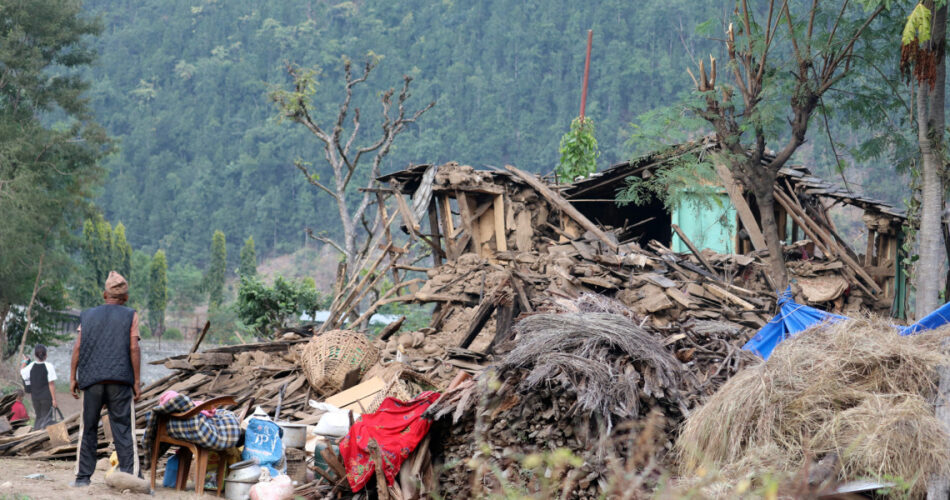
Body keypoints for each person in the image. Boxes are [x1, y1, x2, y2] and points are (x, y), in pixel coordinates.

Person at [70, 271, 142, 487]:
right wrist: (137, 382)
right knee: (123, 429)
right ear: (126, 298)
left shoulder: (88, 315)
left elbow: (78, 347)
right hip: (120, 380)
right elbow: (134, 348)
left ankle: (82, 478)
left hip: (91, 379)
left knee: (88, 428)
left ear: (104, 295)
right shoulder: (131, 315)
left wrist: (73, 377)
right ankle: (130, 478)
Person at [20, 344, 58, 430]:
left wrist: (24, 362)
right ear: (46, 355)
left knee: (39, 417)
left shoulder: (31, 365)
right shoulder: (49, 366)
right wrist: (54, 399)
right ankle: (44, 437)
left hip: (35, 397)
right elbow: (51, 384)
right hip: (46, 397)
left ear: (35, 355)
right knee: (46, 418)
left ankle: (35, 434)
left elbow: (22, 373)